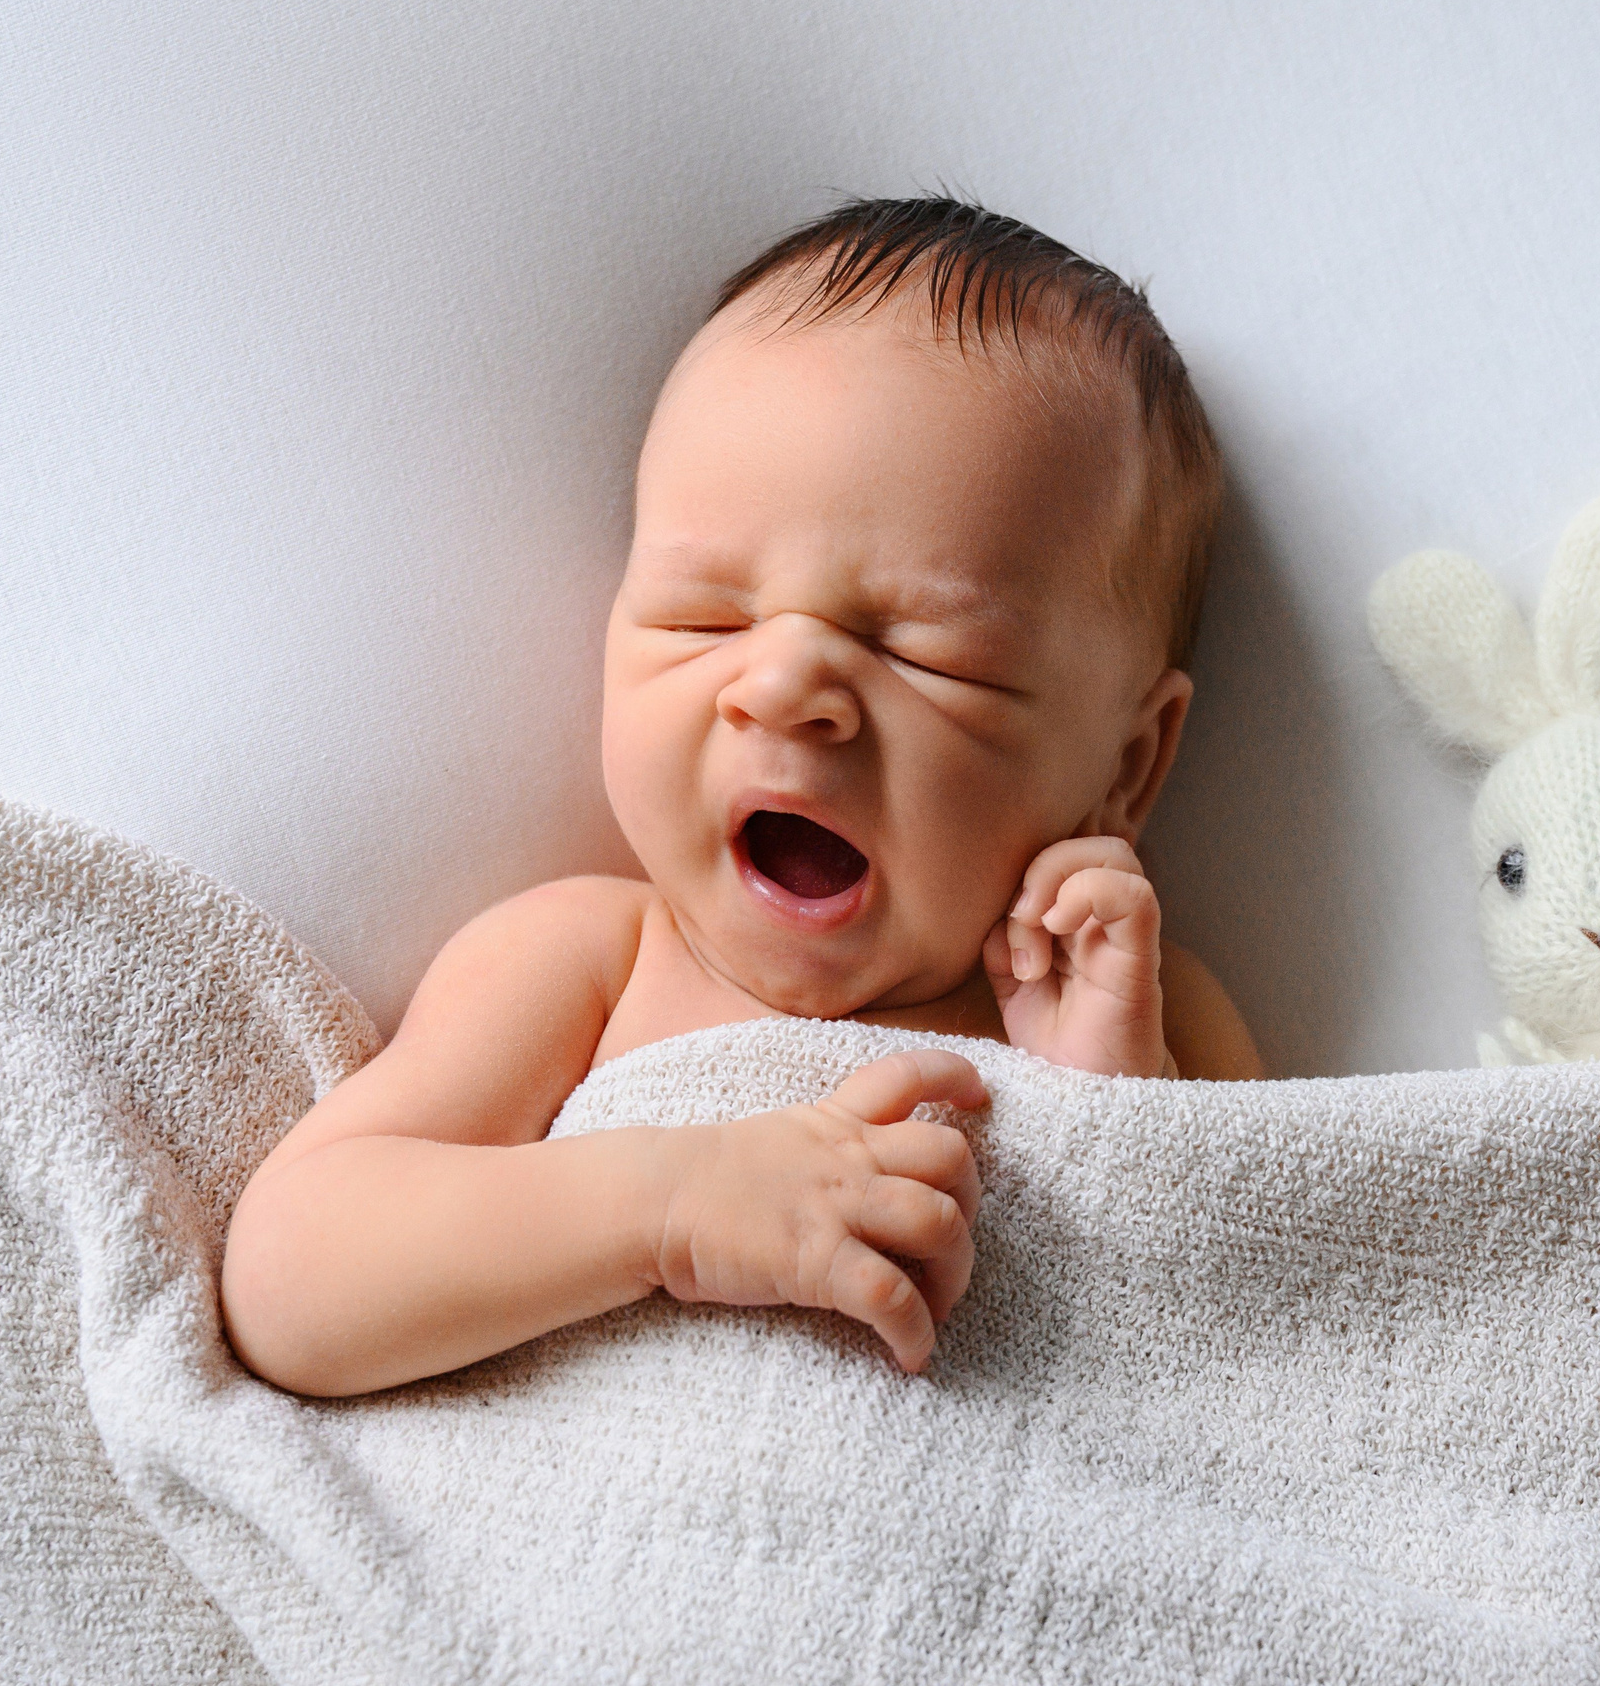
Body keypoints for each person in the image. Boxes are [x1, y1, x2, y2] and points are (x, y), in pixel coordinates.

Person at [220, 197, 1262, 1399]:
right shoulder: (588, 962)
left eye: (929, 651)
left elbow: (1256, 1365)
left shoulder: (1158, 1009)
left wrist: (1113, 1114)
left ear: (1127, 766)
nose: (782, 686)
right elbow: (292, 1276)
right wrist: (670, 1199)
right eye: (704, 615)